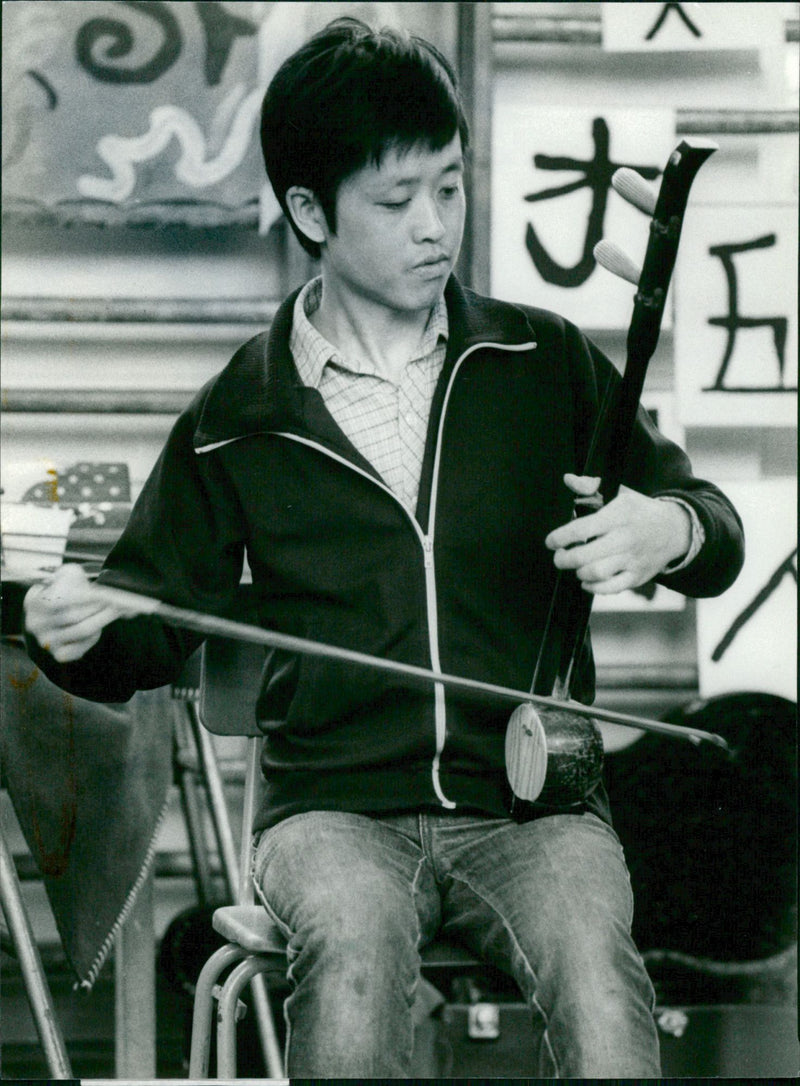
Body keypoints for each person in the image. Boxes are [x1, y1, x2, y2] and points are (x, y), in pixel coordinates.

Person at [24, 17, 744, 1078]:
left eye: (448, 189)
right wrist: (72, 629)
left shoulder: (537, 361)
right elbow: (151, 620)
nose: (433, 227)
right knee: (353, 956)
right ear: (310, 212)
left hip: (530, 808)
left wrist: (665, 526)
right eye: (396, 200)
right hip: (331, 811)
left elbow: (713, 530)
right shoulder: (242, 412)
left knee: (596, 974)